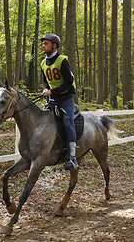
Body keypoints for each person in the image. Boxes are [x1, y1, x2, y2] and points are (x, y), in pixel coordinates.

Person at [40, 33, 78, 170]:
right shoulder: (43, 63)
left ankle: (72, 157)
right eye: (43, 43)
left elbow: (68, 83)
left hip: (66, 98)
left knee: (68, 122)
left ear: (54, 45)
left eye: (46, 43)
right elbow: (45, 80)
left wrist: (52, 91)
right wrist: (45, 90)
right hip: (53, 99)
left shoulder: (62, 61)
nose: (43, 46)